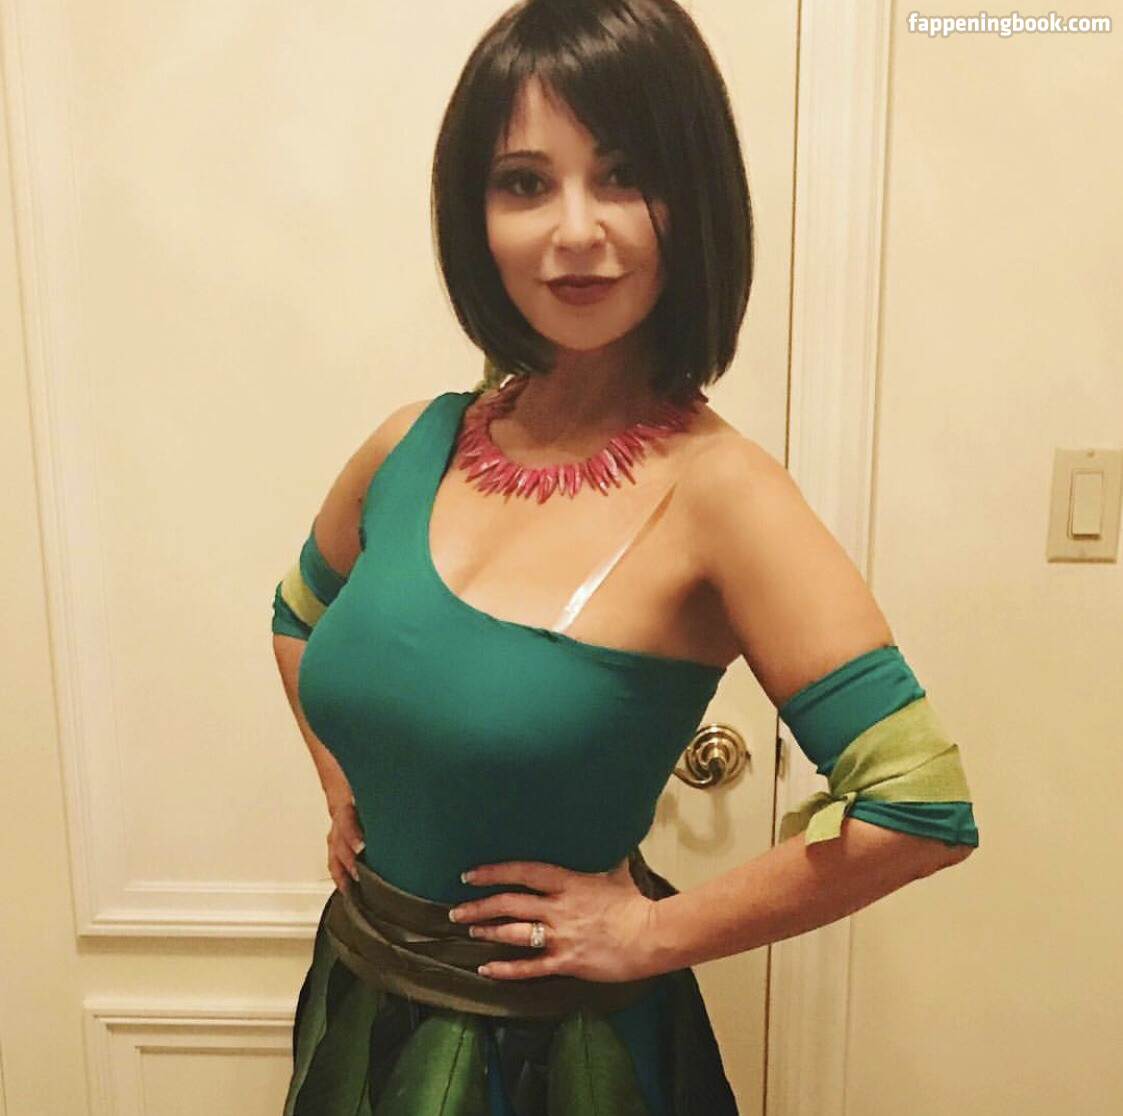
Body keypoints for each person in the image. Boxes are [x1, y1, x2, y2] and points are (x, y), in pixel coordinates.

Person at [271, 1, 979, 1113]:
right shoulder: (408, 446)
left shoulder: (724, 496)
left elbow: (918, 807)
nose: (574, 229)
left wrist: (651, 931)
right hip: (359, 1001)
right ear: (472, 213)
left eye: (624, 176)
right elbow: (296, 618)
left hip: (557, 1063)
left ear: (694, 201)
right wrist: (343, 782)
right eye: (523, 182)